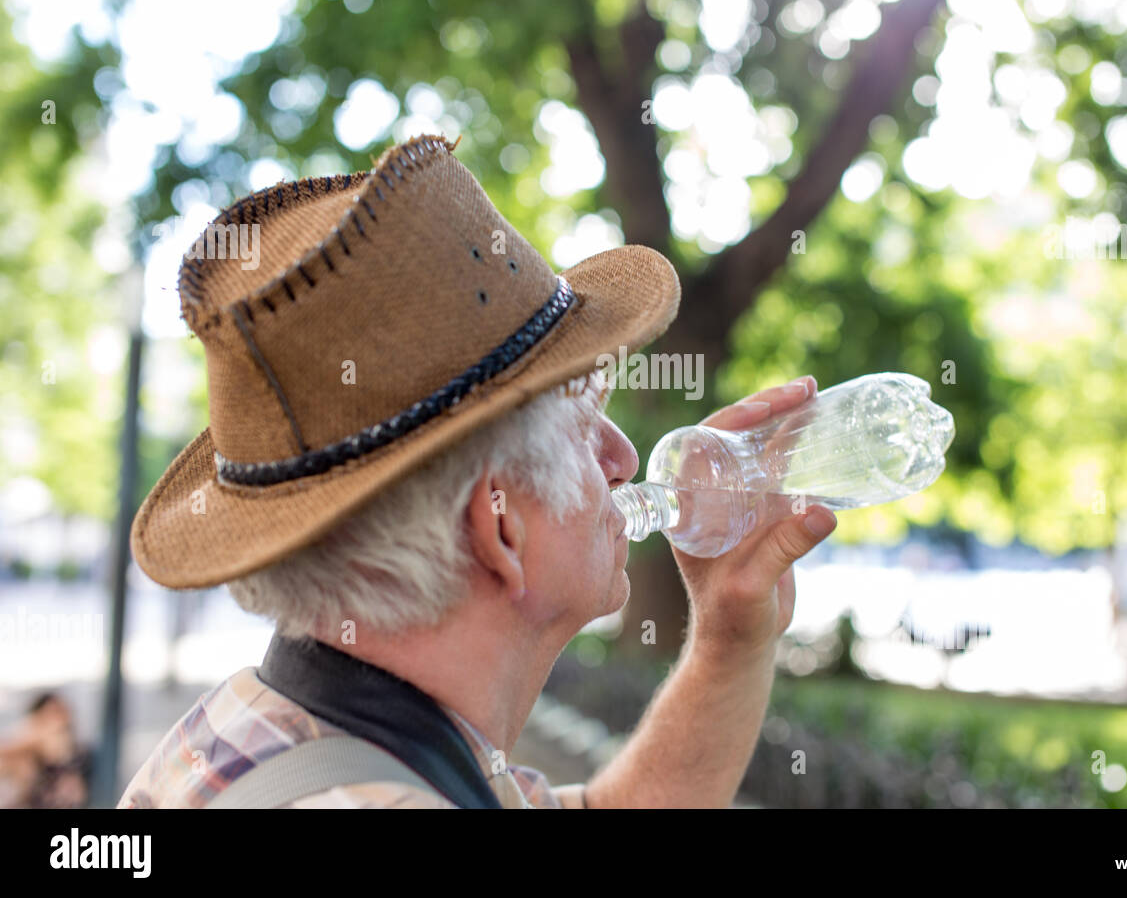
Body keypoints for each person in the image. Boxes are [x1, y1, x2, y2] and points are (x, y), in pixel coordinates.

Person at [118, 133, 837, 809]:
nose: (622, 460)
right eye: (587, 427)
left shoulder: (263, 728)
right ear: (499, 526)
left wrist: (731, 636)